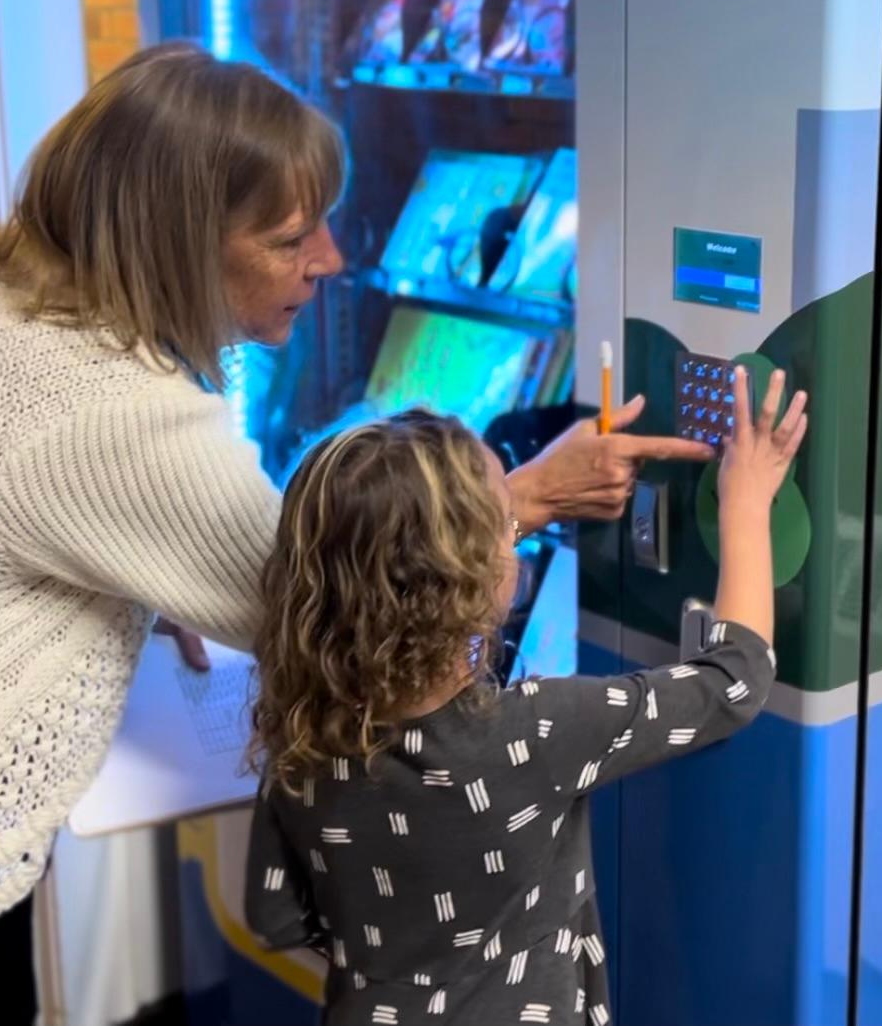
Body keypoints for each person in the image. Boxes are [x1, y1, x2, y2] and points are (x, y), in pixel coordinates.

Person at [0, 42, 711, 1026]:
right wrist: (522, 494)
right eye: (290, 237)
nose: (329, 259)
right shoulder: (113, 415)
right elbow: (350, 593)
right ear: (180, 245)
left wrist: (140, 585)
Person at [241, 369, 807, 1025]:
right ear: (473, 581)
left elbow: (275, 916)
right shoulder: (536, 733)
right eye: (502, 522)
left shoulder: (302, 739)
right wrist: (745, 502)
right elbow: (733, 681)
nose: (516, 528)